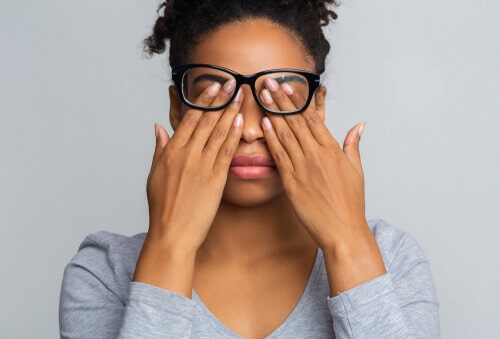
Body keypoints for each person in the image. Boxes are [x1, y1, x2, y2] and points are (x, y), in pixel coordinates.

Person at [59, 1, 440, 338]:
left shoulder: (391, 260)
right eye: (217, 96)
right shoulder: (103, 273)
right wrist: (170, 246)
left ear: (318, 106)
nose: (251, 129)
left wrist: (348, 244)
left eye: (283, 97)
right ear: (177, 108)